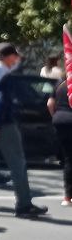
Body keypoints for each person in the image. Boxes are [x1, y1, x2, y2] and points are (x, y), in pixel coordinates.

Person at [0, 42, 47, 218]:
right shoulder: (5, 75)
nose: (17, 60)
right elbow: (0, 102)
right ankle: (24, 204)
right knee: (17, 164)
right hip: (3, 125)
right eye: (15, 56)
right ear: (9, 56)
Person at [47, 74, 72, 207]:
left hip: (60, 120)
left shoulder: (61, 82)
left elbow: (50, 103)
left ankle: (67, 197)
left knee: (68, 159)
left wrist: (55, 116)